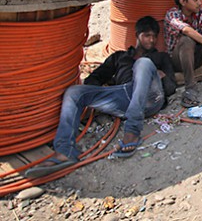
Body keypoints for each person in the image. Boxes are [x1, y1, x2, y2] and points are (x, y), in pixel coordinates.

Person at [25, 16, 176, 178]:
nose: (151, 40)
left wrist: (162, 77)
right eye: (147, 35)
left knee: (144, 63)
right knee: (74, 92)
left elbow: (170, 87)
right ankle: (64, 150)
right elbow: (94, 79)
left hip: (150, 98)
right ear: (137, 35)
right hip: (123, 95)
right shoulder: (120, 57)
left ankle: (132, 131)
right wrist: (106, 89)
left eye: (154, 36)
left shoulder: (161, 57)